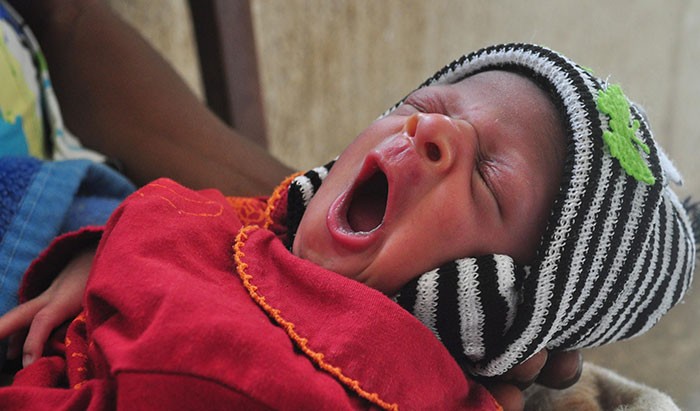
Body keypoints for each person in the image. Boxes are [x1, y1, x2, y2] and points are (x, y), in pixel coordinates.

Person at [0, 36, 695, 409]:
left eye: (487, 177)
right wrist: (105, 251)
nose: (430, 130)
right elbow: (216, 224)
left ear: (500, 300)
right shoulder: (275, 231)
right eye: (431, 102)